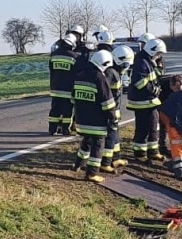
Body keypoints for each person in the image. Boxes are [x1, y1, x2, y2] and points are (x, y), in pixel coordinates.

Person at [72, 48, 119, 182]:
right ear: (104, 64)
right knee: (98, 144)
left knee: (87, 140)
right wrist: (113, 117)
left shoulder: (80, 75)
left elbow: (72, 97)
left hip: (81, 120)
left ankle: (77, 164)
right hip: (96, 122)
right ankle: (91, 173)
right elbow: (107, 102)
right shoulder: (99, 77)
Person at [126, 38, 163, 163]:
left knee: (153, 126)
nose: (159, 56)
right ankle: (139, 154)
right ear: (152, 52)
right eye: (158, 53)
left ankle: (153, 152)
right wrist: (154, 90)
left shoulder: (148, 61)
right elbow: (139, 83)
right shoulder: (141, 62)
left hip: (149, 102)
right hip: (142, 102)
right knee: (143, 128)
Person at [47, 24, 84, 135]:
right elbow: (78, 72)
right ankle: (65, 129)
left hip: (55, 87)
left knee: (54, 109)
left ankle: (52, 129)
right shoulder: (75, 57)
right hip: (68, 89)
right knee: (67, 110)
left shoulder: (53, 55)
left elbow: (51, 70)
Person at [107, 44, 135, 170]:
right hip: (109, 111)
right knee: (111, 135)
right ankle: (107, 161)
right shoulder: (111, 73)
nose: (126, 68)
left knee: (115, 134)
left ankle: (116, 157)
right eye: (126, 65)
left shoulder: (115, 72)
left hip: (114, 110)